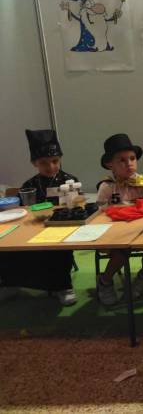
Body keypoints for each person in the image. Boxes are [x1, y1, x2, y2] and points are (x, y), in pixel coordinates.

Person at [0, 130, 77, 306]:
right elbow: (21, 209)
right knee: (9, 245)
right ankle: (10, 283)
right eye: (44, 163)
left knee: (57, 248)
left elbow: (77, 204)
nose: (50, 167)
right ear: (34, 163)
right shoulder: (30, 185)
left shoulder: (69, 181)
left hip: (60, 226)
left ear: (60, 159)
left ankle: (63, 286)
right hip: (32, 228)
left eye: (55, 161)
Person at [95, 133, 143, 305]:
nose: (129, 163)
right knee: (121, 252)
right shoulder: (107, 186)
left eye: (132, 158)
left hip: (141, 231)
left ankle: (142, 277)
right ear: (110, 164)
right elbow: (100, 214)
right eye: (121, 160)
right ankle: (105, 281)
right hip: (115, 234)